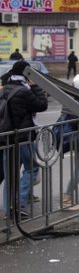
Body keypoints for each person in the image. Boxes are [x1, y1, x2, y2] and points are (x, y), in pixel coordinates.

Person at [1, 60, 48, 219]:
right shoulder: (24, 90)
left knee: (10, 174)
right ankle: (19, 204)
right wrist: (35, 86)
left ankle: (9, 210)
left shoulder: (5, 89)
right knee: (32, 168)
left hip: (7, 138)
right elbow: (41, 105)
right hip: (23, 137)